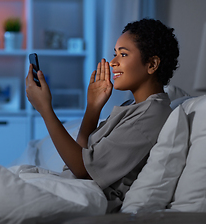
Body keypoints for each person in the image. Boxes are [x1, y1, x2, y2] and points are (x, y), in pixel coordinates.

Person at [25, 18, 179, 212]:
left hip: (87, 199)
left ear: (152, 64)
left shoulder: (151, 114)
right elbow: (82, 153)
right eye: (115, 54)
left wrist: (46, 110)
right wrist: (93, 107)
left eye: (123, 54)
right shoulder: (133, 107)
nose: (113, 62)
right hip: (74, 188)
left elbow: (84, 170)